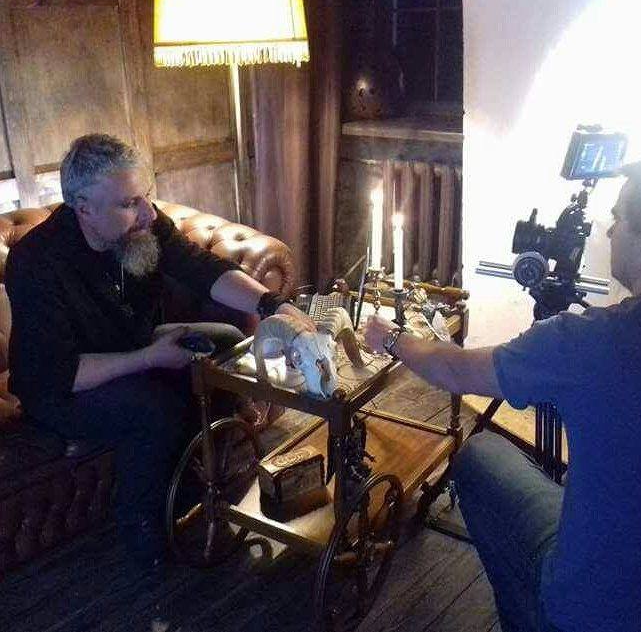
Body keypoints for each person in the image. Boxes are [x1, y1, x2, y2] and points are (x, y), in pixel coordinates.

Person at [5, 133, 314, 568]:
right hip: (61, 387)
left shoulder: (143, 224)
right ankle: (143, 529)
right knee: (154, 407)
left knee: (225, 344)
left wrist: (272, 304)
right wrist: (149, 358)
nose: (148, 212)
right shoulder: (36, 262)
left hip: (130, 348)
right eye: (129, 203)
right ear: (84, 208)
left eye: (145, 196)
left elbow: (203, 268)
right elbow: (60, 372)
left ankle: (205, 483)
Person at [364, 163, 641, 632]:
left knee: (478, 454)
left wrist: (391, 338)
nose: (610, 230)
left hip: (591, 610)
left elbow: (455, 370)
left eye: (618, 218)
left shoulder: (590, 341)